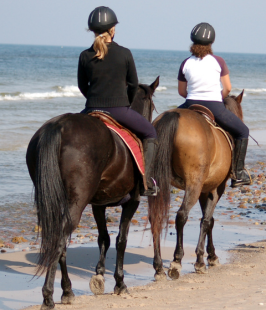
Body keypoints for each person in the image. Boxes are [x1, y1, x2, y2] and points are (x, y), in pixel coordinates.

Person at [77, 6, 158, 196]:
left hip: (90, 110)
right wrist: (126, 104)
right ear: (112, 30)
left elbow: (82, 86)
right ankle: (145, 183)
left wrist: (94, 101)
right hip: (119, 110)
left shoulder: (85, 56)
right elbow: (133, 84)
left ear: (93, 31)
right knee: (150, 132)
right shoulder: (125, 53)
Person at [177, 22, 251, 187]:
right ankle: (238, 173)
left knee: (163, 124)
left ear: (192, 42)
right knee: (243, 131)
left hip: (189, 104)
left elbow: (182, 91)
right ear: (211, 43)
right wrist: (218, 97)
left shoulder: (185, 62)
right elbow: (228, 88)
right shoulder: (218, 61)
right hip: (214, 106)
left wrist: (192, 96)